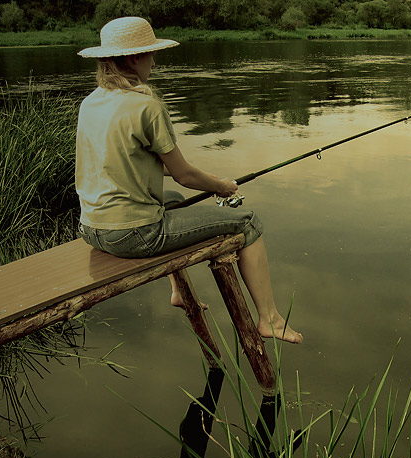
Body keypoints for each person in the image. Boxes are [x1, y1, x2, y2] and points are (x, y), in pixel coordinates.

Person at [75, 16, 302, 344]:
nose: (154, 61)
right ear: (135, 58)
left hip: (91, 230)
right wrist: (220, 186)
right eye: (151, 54)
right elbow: (182, 174)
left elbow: (140, 165)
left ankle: (178, 292)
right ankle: (270, 319)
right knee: (248, 223)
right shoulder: (146, 104)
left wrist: (208, 179)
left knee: (174, 202)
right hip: (133, 236)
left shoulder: (91, 103)